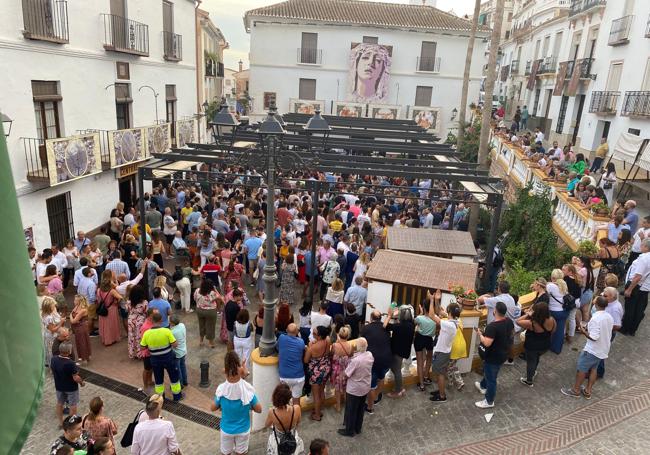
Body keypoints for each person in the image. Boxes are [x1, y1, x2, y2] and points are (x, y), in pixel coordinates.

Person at [561, 296, 613, 399]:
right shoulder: (609, 316)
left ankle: (575, 390)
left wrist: (583, 331)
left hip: (592, 350)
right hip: (603, 349)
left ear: (596, 304)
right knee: (593, 369)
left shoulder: (595, 318)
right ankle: (588, 391)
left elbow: (594, 337)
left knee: (582, 369)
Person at [211, 351, 262, 455]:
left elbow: (212, 408)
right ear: (240, 369)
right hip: (243, 429)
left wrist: (220, 405)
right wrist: (249, 407)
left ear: (225, 370)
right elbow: (259, 409)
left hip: (226, 430)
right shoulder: (247, 391)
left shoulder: (221, 390)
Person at [474, 301, 514, 408]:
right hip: (503, 353)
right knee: (489, 372)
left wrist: (480, 334)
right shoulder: (509, 321)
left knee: (492, 378)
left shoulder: (493, 326)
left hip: (493, 356)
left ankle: (489, 401)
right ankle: (483, 386)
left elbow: (487, 343)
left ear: (495, 311)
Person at [139, 312, 183, 401]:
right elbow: (175, 345)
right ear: (161, 320)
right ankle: (177, 396)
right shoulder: (166, 331)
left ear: (151, 321)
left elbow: (142, 347)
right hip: (168, 358)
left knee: (158, 380)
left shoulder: (147, 333)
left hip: (155, 360)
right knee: (174, 377)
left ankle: (160, 398)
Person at [338, 336, 373, 437]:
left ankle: (349, 430)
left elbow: (346, 374)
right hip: (365, 386)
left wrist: (341, 374)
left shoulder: (356, 360)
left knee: (351, 410)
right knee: (360, 409)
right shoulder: (370, 355)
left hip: (354, 389)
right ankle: (358, 428)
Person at [516, 302, 556, 386]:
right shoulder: (552, 319)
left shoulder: (532, 323)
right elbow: (553, 331)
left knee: (531, 362)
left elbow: (518, 321)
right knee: (536, 358)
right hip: (545, 345)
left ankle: (529, 380)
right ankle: (533, 371)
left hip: (532, 346)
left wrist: (528, 314)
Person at [429, 302, 462, 403]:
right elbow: (440, 311)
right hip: (444, 351)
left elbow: (431, 315)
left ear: (450, 312)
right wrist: (436, 300)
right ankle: (440, 391)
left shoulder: (448, 325)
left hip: (443, 353)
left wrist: (431, 300)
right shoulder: (455, 321)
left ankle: (442, 396)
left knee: (440, 374)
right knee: (440, 373)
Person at [360, 310, 392, 414]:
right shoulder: (385, 327)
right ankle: (377, 397)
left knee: (371, 385)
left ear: (371, 318)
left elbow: (362, 343)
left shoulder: (366, 328)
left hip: (373, 360)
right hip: (386, 358)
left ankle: (370, 407)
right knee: (381, 378)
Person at [264, 383, 305, 455]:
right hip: (293, 438)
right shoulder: (296, 408)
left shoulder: (272, 412)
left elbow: (267, 425)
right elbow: (298, 422)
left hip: (279, 441)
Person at [384, 305, 415, 398]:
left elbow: (385, 326)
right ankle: (399, 387)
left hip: (397, 350)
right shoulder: (411, 325)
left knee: (396, 370)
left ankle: (399, 391)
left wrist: (389, 315)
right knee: (395, 369)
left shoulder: (399, 326)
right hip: (404, 350)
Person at [621, 239, 650, 335]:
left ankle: (625, 329)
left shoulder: (644, 258)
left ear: (646, 247)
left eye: (641, 245)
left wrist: (629, 289)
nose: (640, 247)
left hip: (637, 286)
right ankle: (632, 330)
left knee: (630, 308)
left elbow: (638, 276)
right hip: (645, 288)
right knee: (639, 310)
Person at [51, 343, 85, 425]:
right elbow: (75, 377)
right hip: (71, 388)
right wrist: (81, 382)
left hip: (59, 386)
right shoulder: (70, 363)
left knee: (60, 403)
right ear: (69, 351)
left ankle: (61, 422)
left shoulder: (54, 359)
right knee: (73, 405)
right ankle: (70, 424)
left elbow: (52, 370)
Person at [305, 325, 331, 421]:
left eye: (314, 333)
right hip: (326, 367)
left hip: (316, 372)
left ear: (319, 336)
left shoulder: (312, 348)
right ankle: (319, 409)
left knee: (316, 395)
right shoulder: (327, 340)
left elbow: (306, 360)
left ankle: (317, 415)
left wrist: (309, 346)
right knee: (321, 391)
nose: (312, 334)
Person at [597, 287, 624, 378]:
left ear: (612, 297)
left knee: (600, 353)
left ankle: (599, 372)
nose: (602, 296)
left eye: (605, 295)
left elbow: (617, 325)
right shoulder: (611, 303)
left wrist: (604, 327)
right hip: (605, 332)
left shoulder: (614, 308)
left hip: (607, 334)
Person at [278, 323, 307, 406]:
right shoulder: (301, 342)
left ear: (286, 330)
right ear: (297, 332)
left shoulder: (282, 338)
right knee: (296, 402)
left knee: (283, 400)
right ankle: (296, 418)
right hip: (298, 376)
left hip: (284, 376)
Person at [414, 295, 436, 391]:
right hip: (429, 340)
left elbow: (415, 323)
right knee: (429, 358)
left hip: (419, 339)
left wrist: (421, 313)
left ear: (423, 307)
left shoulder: (419, 318)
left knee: (419, 362)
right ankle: (426, 377)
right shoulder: (435, 319)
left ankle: (421, 384)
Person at [330, 325, 353, 412]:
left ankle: (338, 406)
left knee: (337, 389)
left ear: (339, 334)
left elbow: (331, 354)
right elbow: (350, 355)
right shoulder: (350, 345)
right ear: (348, 335)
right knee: (346, 388)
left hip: (336, 370)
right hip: (346, 370)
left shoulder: (335, 345)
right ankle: (347, 404)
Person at [97, 270, 122, 346]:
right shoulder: (112, 291)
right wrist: (116, 302)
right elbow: (120, 297)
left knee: (104, 325)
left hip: (103, 308)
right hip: (111, 309)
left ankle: (105, 339)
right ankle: (112, 338)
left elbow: (98, 300)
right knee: (112, 324)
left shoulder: (98, 290)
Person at [194, 279, 222, 348]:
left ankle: (201, 341)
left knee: (201, 325)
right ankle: (210, 343)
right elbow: (219, 298)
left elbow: (195, 298)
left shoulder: (197, 290)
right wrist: (215, 289)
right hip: (210, 311)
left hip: (199, 310)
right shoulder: (212, 293)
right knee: (211, 326)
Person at [547, 269, 569, 354]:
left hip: (554, 312)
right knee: (560, 331)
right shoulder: (564, 284)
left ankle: (548, 345)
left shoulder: (550, 286)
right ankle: (557, 349)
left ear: (552, 277)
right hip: (563, 311)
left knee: (549, 329)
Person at [70, 294, 92, 363]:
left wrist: (70, 316)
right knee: (79, 342)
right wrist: (71, 316)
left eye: (75, 300)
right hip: (77, 328)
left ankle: (85, 358)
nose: (74, 301)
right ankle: (83, 357)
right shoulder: (76, 307)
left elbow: (73, 321)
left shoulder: (83, 310)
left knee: (83, 342)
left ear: (79, 301)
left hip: (81, 327)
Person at [42, 297, 63, 367]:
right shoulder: (49, 318)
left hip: (47, 334)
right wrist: (61, 323)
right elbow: (53, 330)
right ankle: (54, 365)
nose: (54, 307)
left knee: (49, 350)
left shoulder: (46, 314)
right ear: (49, 307)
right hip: (51, 336)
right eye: (53, 306)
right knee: (52, 350)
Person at [170, 314, 188, 388]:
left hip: (177, 353)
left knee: (178, 369)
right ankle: (185, 381)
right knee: (183, 366)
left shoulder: (172, 332)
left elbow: (174, 344)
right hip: (183, 350)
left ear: (172, 323)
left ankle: (180, 384)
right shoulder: (182, 325)